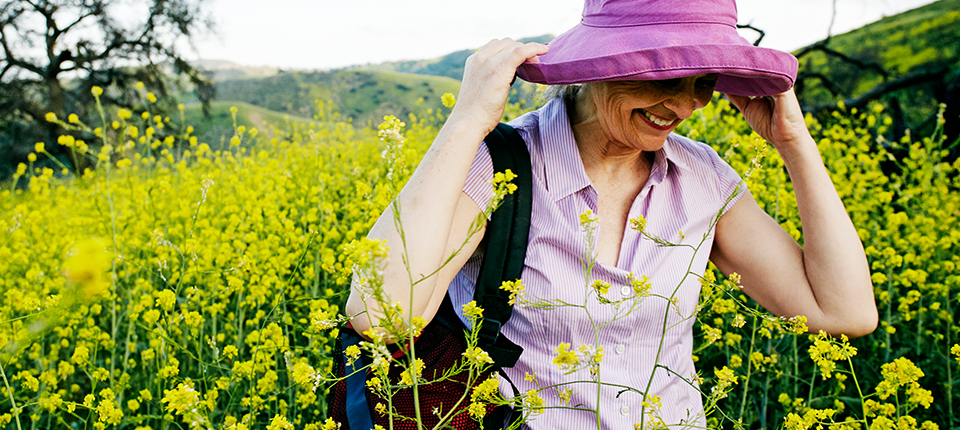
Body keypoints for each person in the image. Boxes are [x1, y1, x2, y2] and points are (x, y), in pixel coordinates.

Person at [345, 0, 878, 427]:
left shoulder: (701, 178)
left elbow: (844, 313)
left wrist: (794, 141)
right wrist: (467, 123)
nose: (688, 104)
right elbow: (383, 316)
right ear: (604, 65)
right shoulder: (501, 164)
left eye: (703, 83)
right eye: (665, 76)